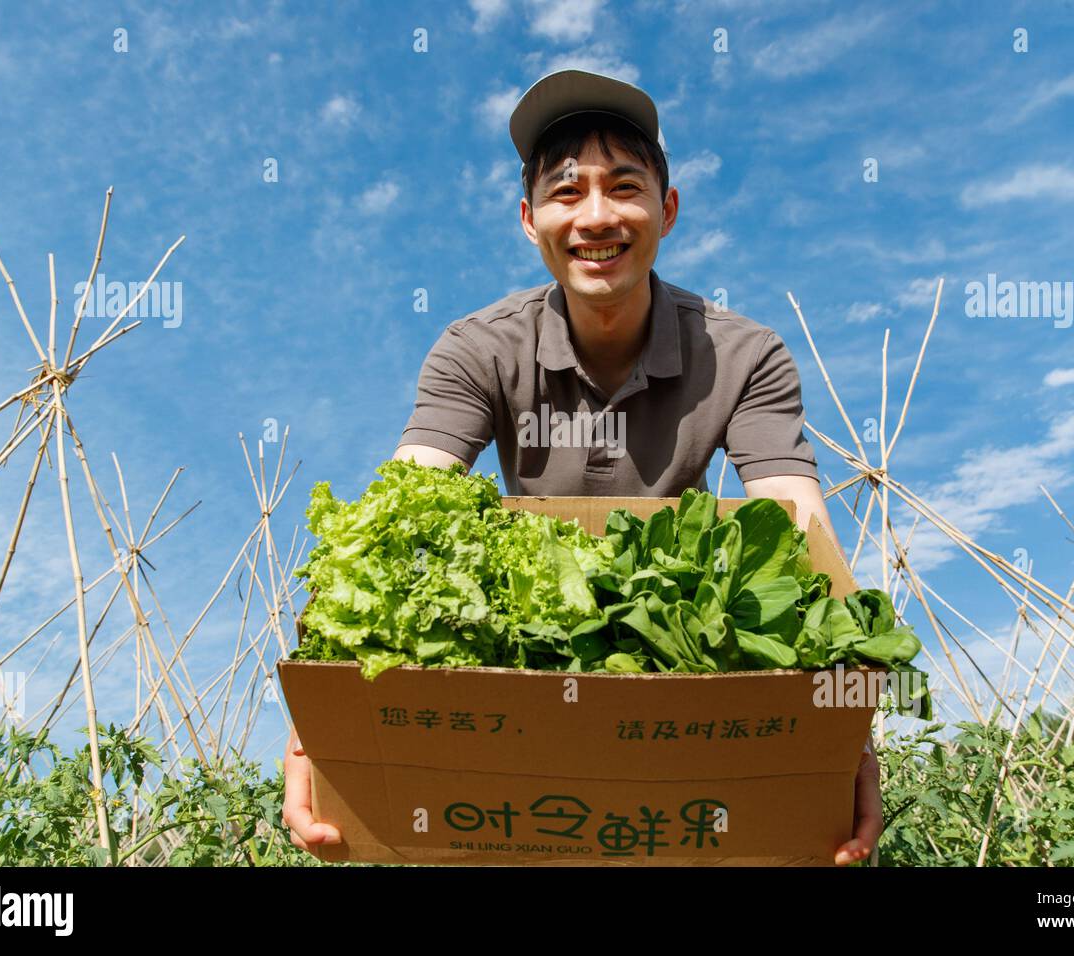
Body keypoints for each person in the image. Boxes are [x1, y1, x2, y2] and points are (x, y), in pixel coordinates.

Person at [284, 69, 880, 866]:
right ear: (531, 221)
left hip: (681, 689)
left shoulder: (744, 354)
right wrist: (317, 729)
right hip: (521, 690)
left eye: (624, 187)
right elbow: (399, 515)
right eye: (567, 194)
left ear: (666, 211)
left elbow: (798, 532)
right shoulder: (478, 349)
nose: (596, 216)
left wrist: (841, 736)